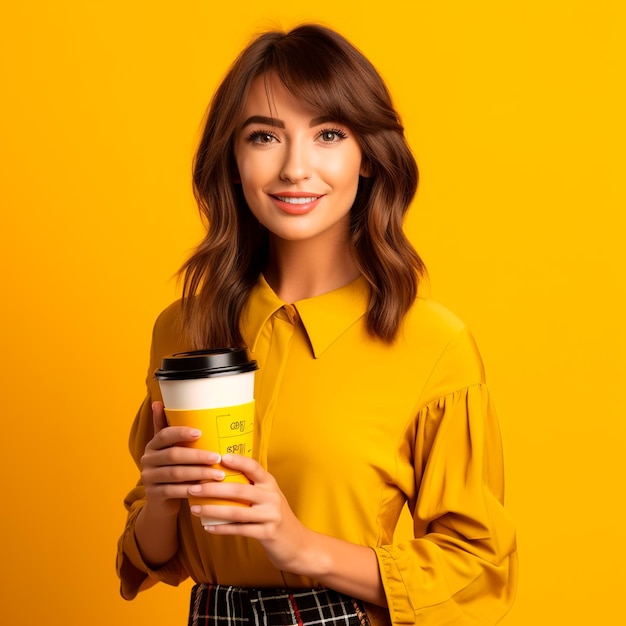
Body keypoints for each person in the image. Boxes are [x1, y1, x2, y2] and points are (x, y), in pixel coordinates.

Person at [116, 23, 518, 626]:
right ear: (232, 160)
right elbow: (152, 552)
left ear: (369, 160)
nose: (295, 168)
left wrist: (303, 547)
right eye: (264, 136)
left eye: (328, 134)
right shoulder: (183, 329)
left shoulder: (433, 344)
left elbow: (479, 565)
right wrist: (161, 502)